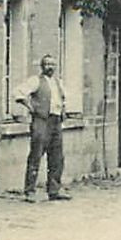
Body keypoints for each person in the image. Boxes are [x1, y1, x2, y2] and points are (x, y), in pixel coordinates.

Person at [15, 54, 71, 202]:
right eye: (47, 64)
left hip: (56, 121)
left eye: (53, 64)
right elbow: (19, 93)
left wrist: (63, 112)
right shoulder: (36, 81)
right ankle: (30, 191)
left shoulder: (58, 82)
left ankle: (54, 190)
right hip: (41, 122)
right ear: (42, 66)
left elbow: (63, 100)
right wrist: (31, 107)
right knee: (36, 155)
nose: (50, 67)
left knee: (57, 157)